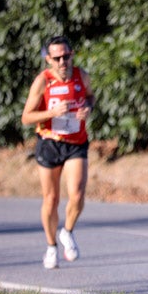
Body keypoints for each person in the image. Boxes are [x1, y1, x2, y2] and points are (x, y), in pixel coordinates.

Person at [21, 35, 94, 269]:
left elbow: (90, 97)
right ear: (49, 60)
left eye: (66, 56)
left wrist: (88, 108)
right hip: (50, 142)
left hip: (76, 142)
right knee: (51, 199)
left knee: (77, 195)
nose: (62, 62)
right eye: (57, 58)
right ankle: (51, 246)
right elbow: (26, 117)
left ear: (72, 55)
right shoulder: (43, 81)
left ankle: (67, 231)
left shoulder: (82, 76)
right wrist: (52, 113)